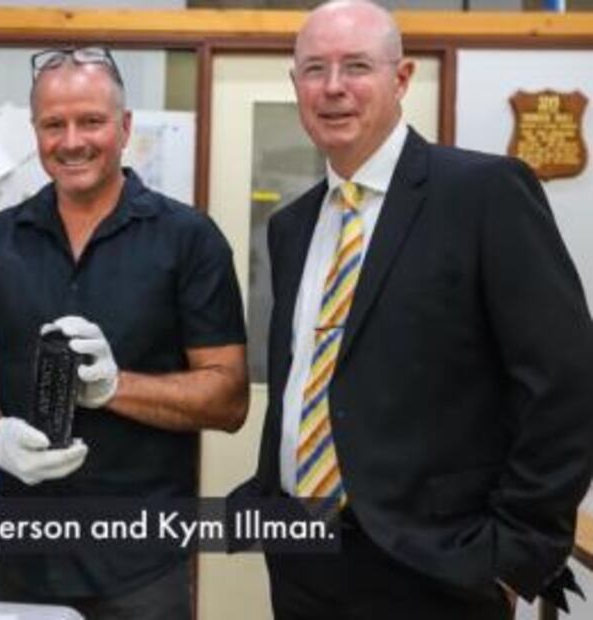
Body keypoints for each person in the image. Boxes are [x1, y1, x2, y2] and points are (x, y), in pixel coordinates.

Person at [230, 2, 593, 618]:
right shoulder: (293, 226)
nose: (334, 87)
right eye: (314, 69)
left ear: (402, 80)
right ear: (295, 86)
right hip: (302, 556)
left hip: (435, 570)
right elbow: (308, 378)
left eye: (357, 66)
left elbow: (567, 384)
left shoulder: (483, 195)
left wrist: (514, 553)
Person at [0, 46, 249, 619]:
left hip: (143, 563)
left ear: (125, 126)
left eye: (91, 121)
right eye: (54, 124)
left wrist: (114, 388)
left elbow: (229, 398)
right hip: (24, 555)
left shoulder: (189, 240)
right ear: (36, 131)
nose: (72, 140)